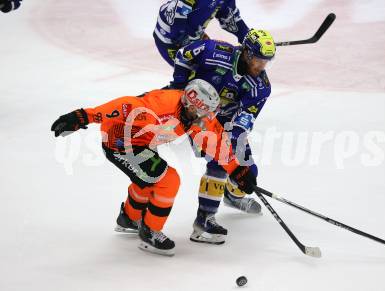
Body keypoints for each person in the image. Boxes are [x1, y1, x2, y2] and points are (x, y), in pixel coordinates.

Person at [51, 79, 257, 256]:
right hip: (120, 142)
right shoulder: (160, 107)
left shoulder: (197, 115)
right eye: (205, 112)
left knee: (148, 180)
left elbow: (215, 141)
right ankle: (150, 232)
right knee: (168, 180)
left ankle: (129, 218)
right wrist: (82, 116)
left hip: (142, 142)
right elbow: (125, 105)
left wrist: (237, 170)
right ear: (192, 106)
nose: (208, 117)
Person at [169, 29, 276, 244]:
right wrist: (180, 85)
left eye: (266, 62)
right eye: (258, 60)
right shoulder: (215, 51)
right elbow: (184, 55)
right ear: (246, 53)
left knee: (248, 172)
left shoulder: (260, 87)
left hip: (225, 123)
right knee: (219, 163)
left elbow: (246, 118)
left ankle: (231, 196)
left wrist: (232, 140)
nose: (261, 67)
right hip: (195, 113)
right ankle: (204, 221)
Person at [154, 0, 249, 66]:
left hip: (192, 35)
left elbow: (229, 18)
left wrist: (249, 38)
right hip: (170, 40)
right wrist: (197, 44)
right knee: (198, 78)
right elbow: (176, 21)